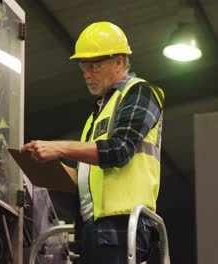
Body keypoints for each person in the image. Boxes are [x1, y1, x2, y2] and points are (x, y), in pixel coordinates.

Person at [20, 21, 164, 264]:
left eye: (94, 66)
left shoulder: (139, 92)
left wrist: (59, 147)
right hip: (94, 227)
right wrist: (47, 168)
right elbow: (88, 177)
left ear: (119, 61)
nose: (87, 74)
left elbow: (119, 150)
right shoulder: (96, 116)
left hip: (123, 224)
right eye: (83, 67)